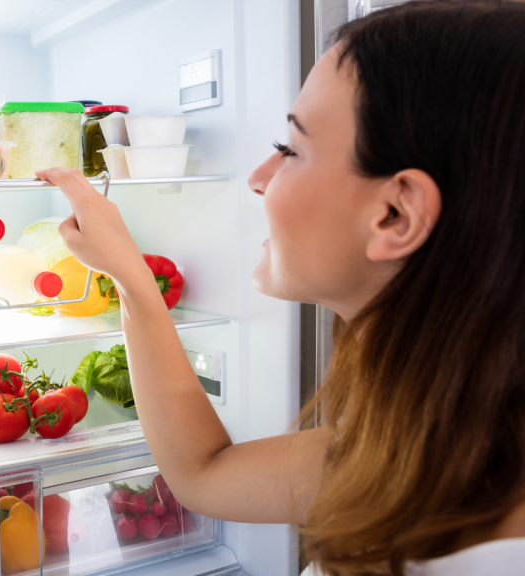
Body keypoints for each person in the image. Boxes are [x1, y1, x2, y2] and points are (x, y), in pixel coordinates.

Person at [36, 1, 525, 574]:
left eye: (291, 149)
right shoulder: (439, 441)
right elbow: (205, 472)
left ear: (395, 214)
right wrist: (132, 279)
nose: (259, 178)